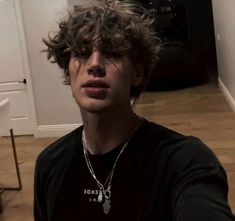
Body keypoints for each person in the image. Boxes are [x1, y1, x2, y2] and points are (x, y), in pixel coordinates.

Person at [34, 0, 235, 220]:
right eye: (82, 53)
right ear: (67, 74)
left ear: (137, 73)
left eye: (112, 53)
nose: (95, 64)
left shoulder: (185, 161)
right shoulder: (49, 165)